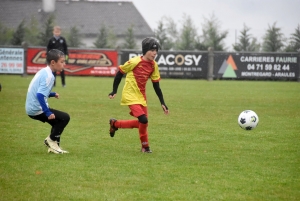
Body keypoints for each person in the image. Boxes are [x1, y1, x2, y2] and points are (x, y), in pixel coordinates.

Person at [108, 37, 169, 153]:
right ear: (145, 50)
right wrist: (114, 90)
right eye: (152, 50)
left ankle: (115, 124)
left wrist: (162, 102)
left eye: (156, 50)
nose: (155, 53)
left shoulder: (154, 65)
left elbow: (156, 86)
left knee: (143, 123)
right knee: (143, 120)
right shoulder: (135, 61)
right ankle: (146, 147)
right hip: (130, 95)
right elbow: (120, 73)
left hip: (141, 97)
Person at [25, 49, 70, 154]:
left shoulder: (44, 71)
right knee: (64, 118)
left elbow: (39, 91)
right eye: (62, 62)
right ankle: (50, 140)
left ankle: (54, 147)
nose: (64, 64)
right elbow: (40, 95)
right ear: (53, 62)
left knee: (57, 122)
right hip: (36, 109)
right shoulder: (49, 76)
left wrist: (52, 94)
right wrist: (47, 112)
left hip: (31, 107)